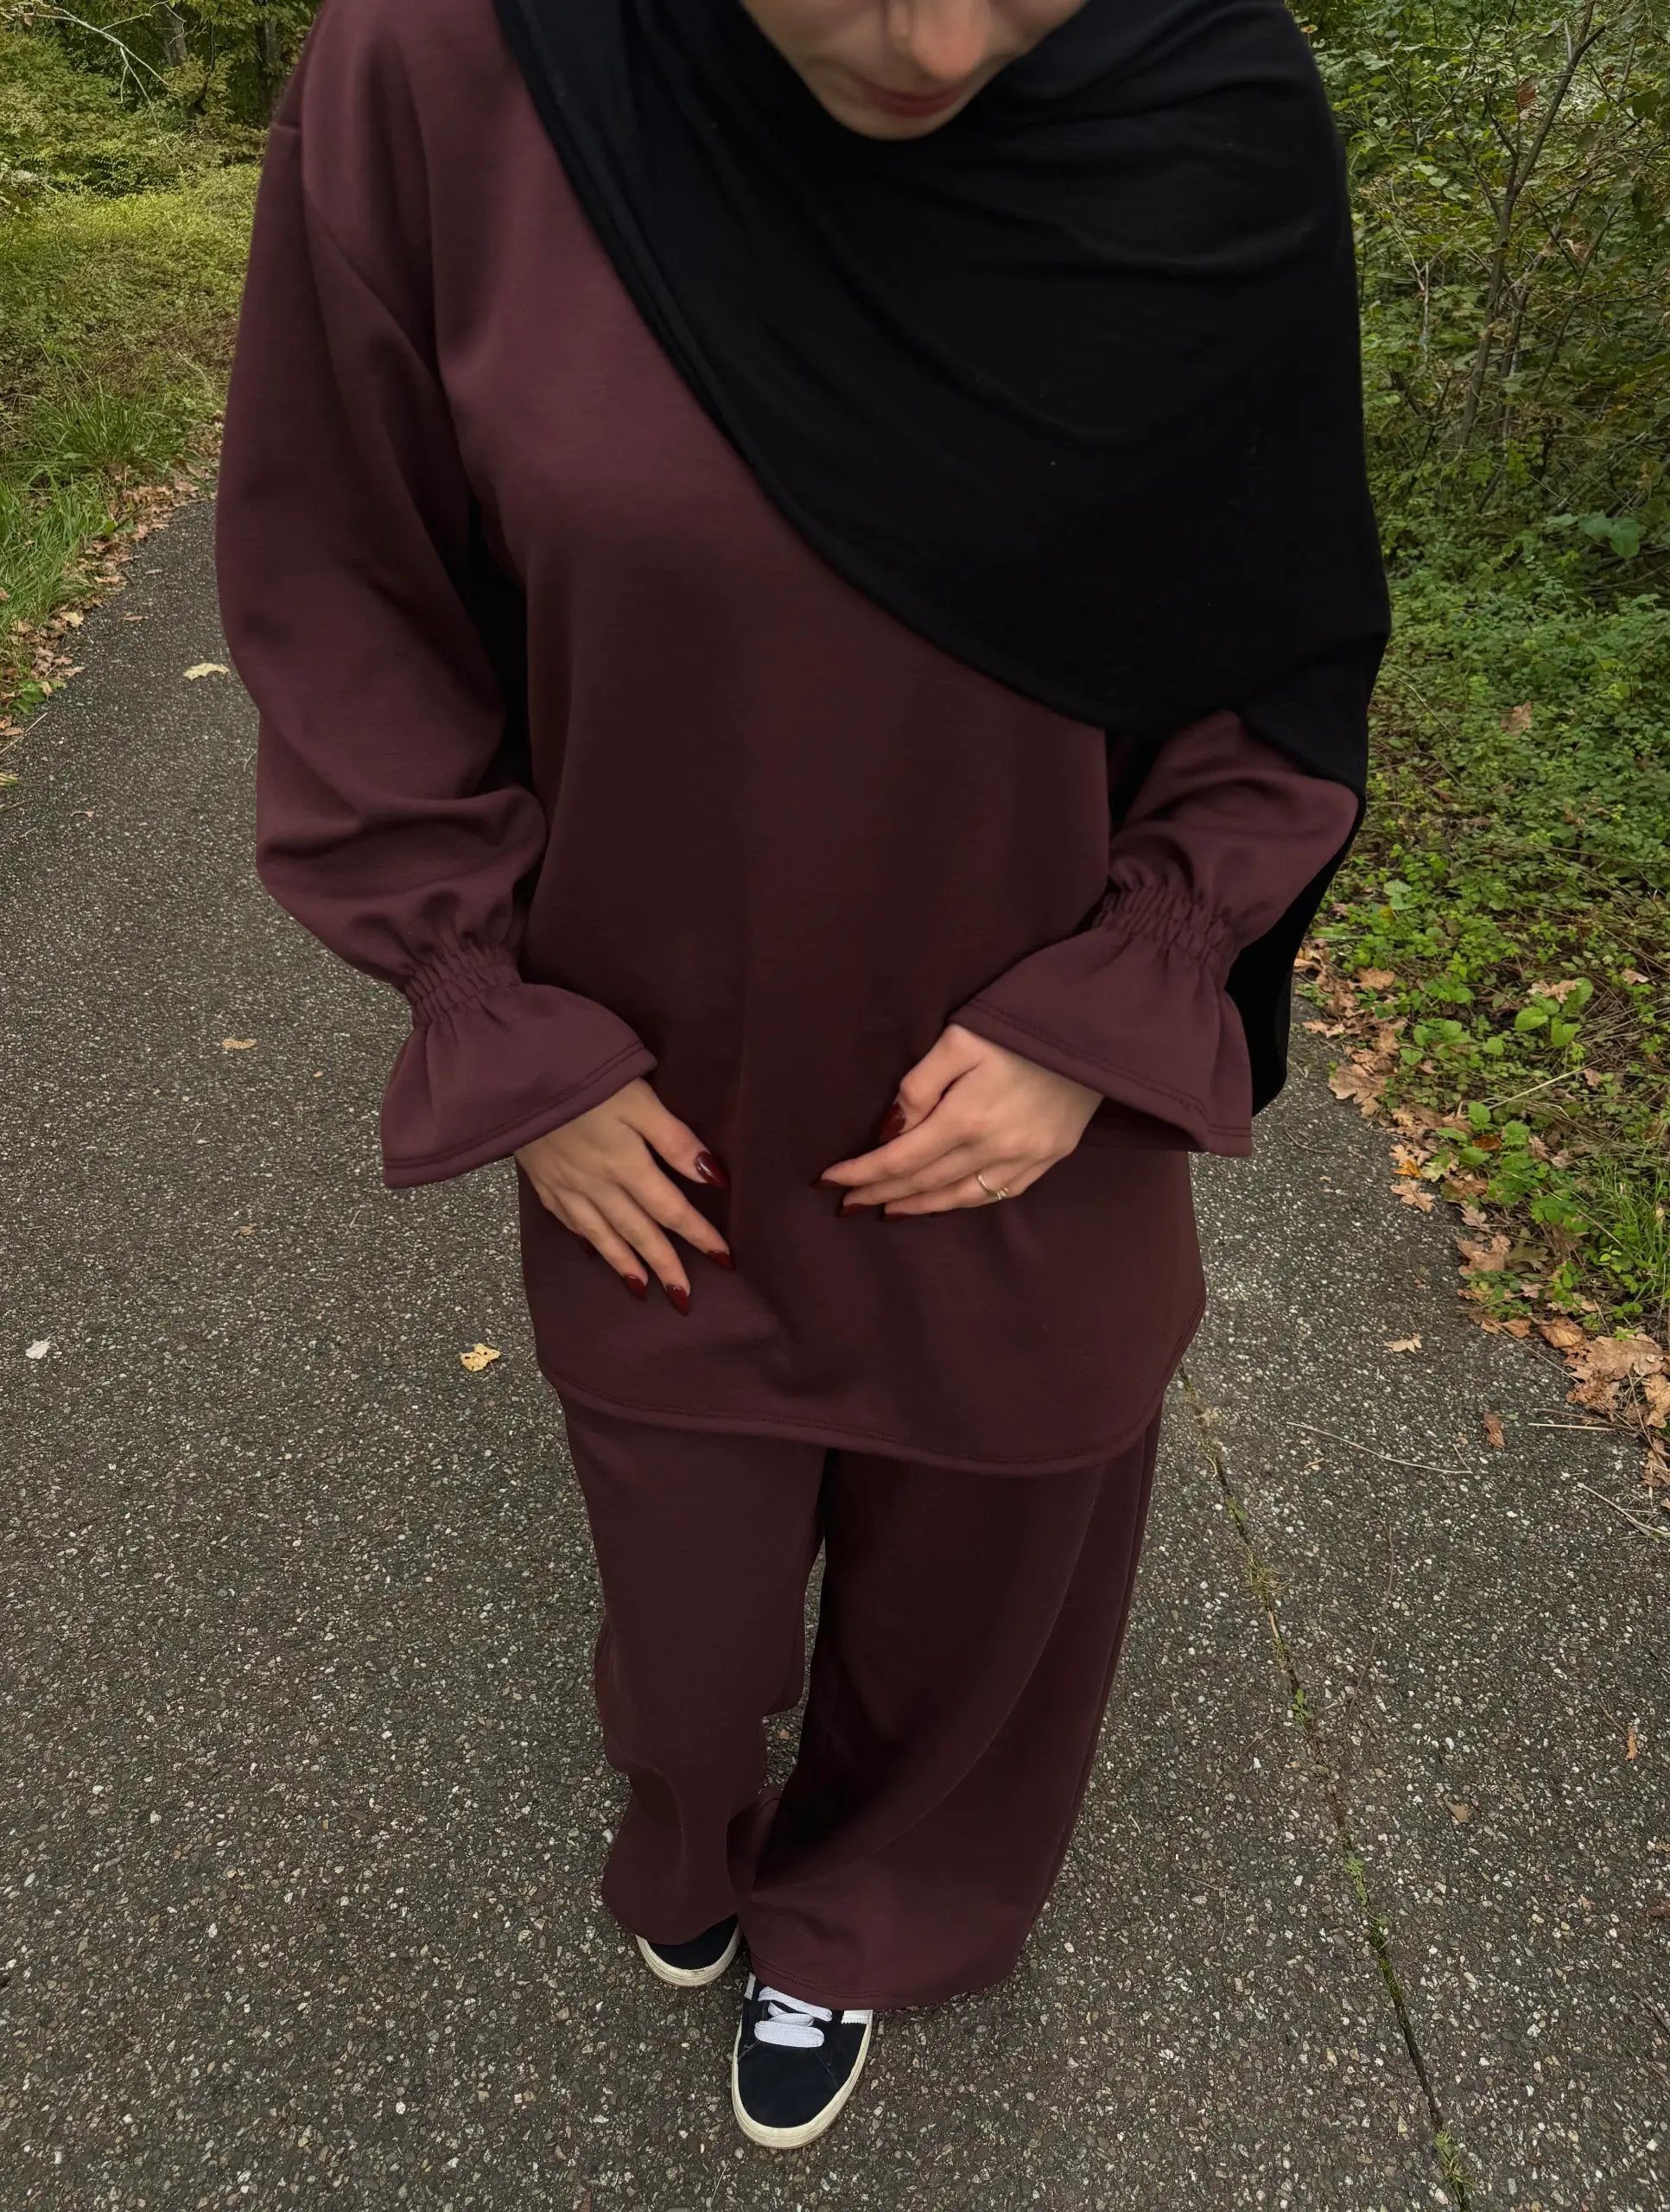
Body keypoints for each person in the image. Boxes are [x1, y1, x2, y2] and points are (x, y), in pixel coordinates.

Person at [215, 0, 1387, 2152]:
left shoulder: (1205, 99)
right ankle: (693, 1821)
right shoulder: (443, 71)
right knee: (687, 1613)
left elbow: (1281, 635)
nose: (930, 40)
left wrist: (1118, 998)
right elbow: (344, 582)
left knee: (986, 1600)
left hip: (1040, 1112)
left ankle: (862, 1910)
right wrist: (495, 1015)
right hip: (654, 1111)